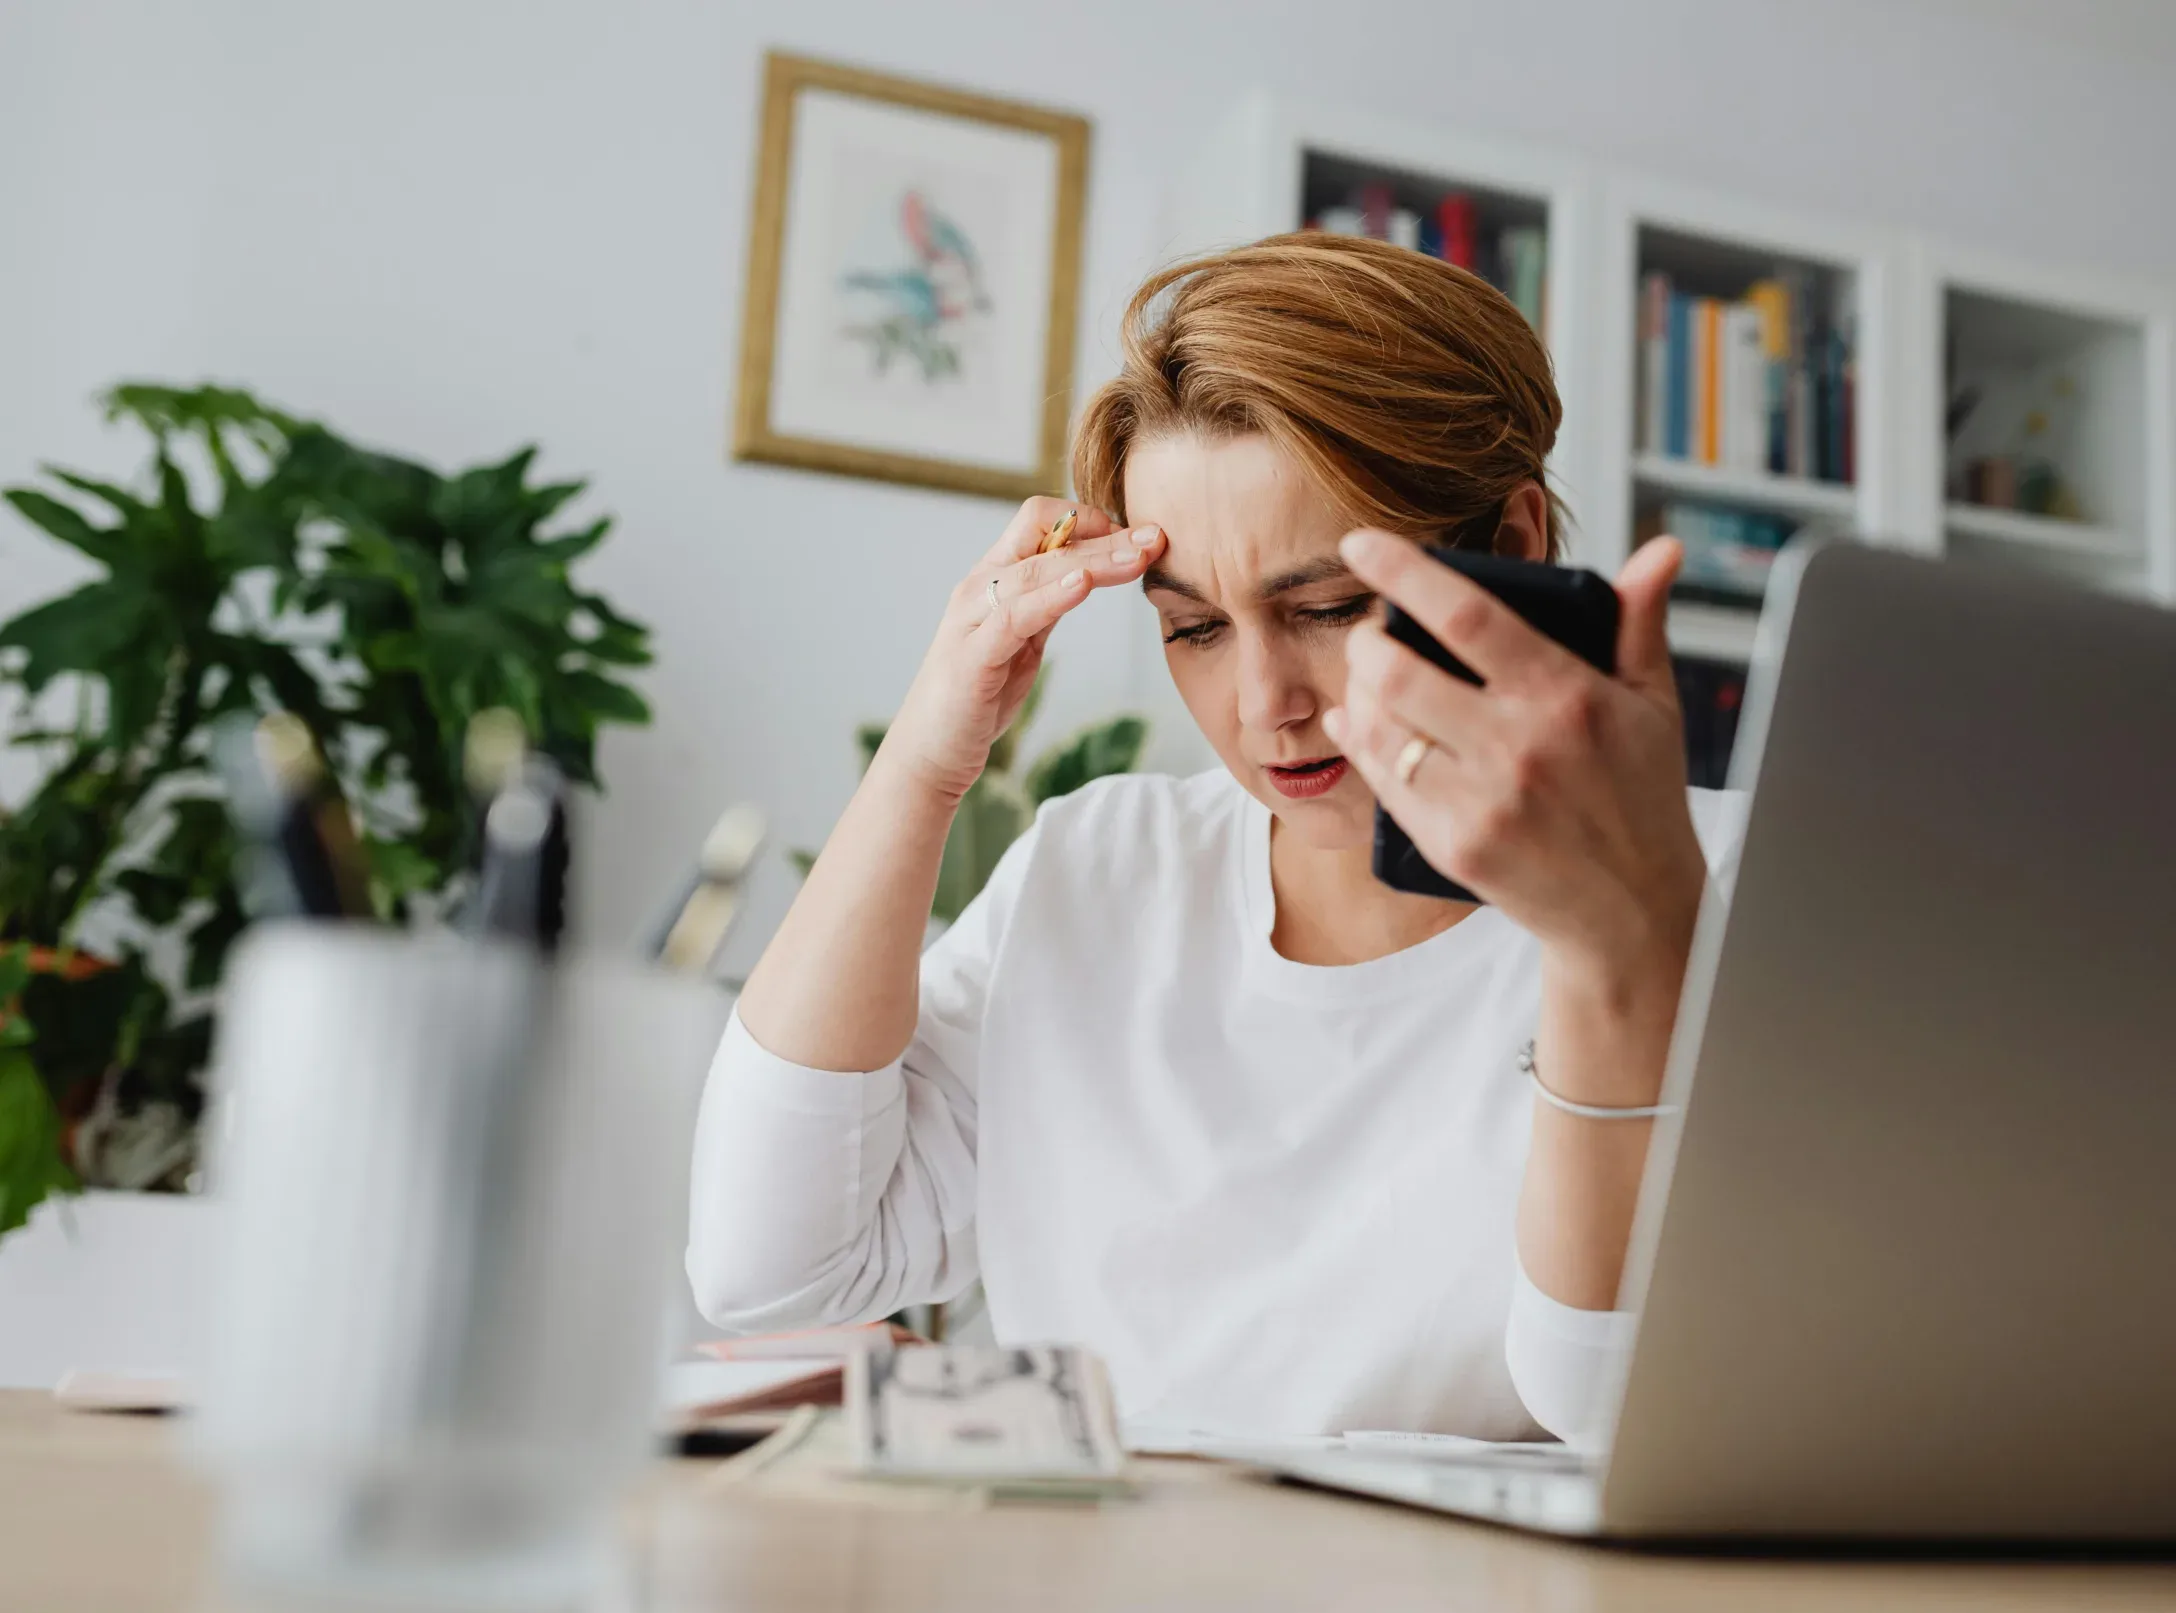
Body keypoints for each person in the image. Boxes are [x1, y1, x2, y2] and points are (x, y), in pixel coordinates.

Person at [687, 233, 1744, 1445]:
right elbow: (771, 1273)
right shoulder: (1099, 867)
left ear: (1507, 547)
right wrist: (928, 762)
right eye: (1192, 628)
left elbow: (1616, 1411)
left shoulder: (1727, 887)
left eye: (1327, 609)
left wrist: (1618, 945)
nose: (1263, 706)